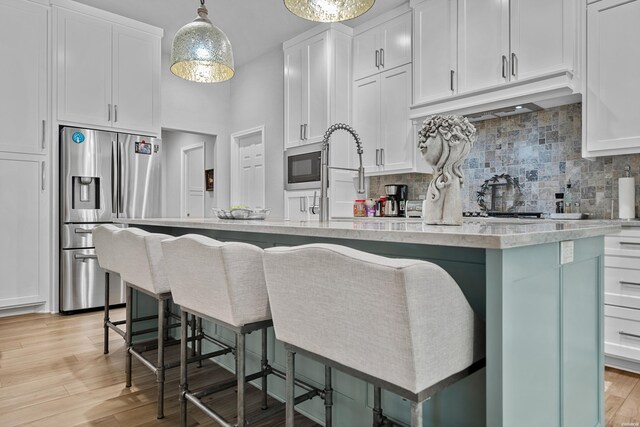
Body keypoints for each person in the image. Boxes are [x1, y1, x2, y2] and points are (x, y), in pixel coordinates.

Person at [418, 115, 476, 225]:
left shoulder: (451, 181)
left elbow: (451, 219)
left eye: (428, 136)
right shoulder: (440, 180)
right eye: (423, 137)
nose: (421, 142)